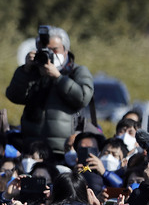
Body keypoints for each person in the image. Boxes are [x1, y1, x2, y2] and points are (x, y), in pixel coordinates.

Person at [5, 26, 94, 155]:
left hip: (63, 149)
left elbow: (83, 98)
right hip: (32, 149)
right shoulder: (34, 72)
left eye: (55, 49)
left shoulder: (77, 71)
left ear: (66, 50)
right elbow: (14, 96)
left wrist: (58, 77)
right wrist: (25, 71)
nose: (50, 54)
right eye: (45, 50)